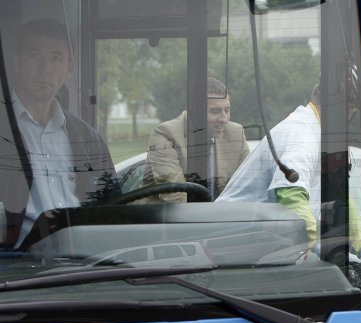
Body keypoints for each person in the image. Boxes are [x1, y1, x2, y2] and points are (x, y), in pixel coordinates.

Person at [0, 18, 118, 249]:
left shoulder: (88, 139)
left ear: (69, 66)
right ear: (15, 62)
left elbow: (113, 209)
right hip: (16, 271)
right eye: (35, 56)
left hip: (83, 266)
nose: (46, 69)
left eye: (56, 58)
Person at [219, 84, 361, 255]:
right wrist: (315, 248)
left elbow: (339, 192)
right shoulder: (302, 135)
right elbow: (290, 195)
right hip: (232, 242)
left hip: (257, 239)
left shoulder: (315, 132)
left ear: (314, 93)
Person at [139, 77, 250, 202]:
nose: (224, 119)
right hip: (163, 219)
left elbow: (249, 187)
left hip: (221, 217)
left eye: (227, 110)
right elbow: (175, 197)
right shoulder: (166, 134)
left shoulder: (236, 133)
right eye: (215, 111)